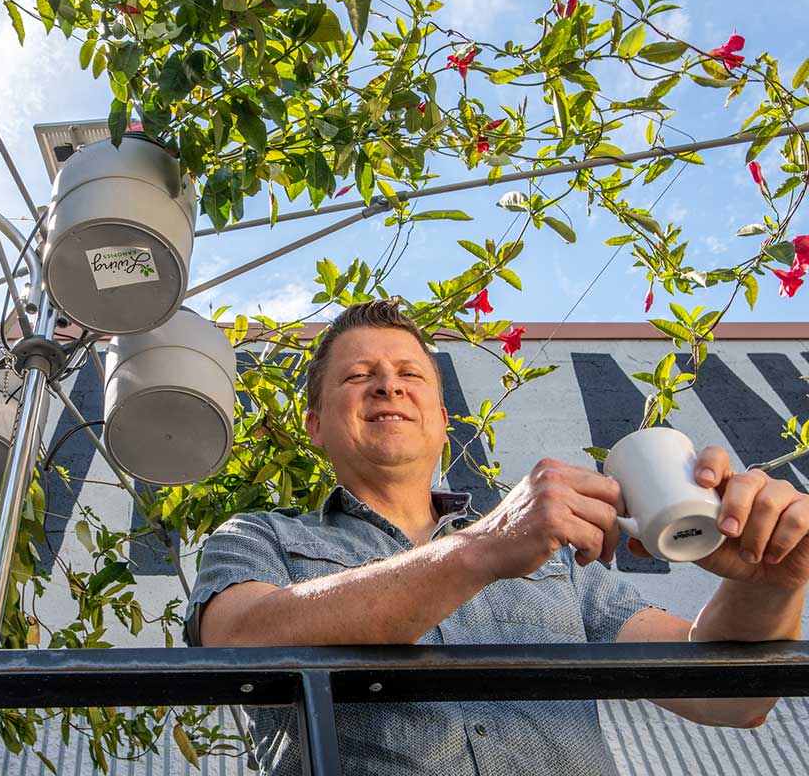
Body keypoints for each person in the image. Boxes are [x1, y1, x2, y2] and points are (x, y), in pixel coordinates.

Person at [183, 298, 809, 776]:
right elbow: (238, 641)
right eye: (358, 376)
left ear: (442, 419)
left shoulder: (556, 561)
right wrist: (477, 551)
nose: (388, 385)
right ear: (315, 425)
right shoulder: (257, 535)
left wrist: (772, 582)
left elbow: (729, 698)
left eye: (410, 373)